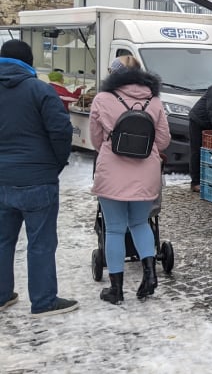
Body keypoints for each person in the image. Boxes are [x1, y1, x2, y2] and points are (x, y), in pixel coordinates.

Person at [0, 40, 78, 317]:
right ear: (29, 62)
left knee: (2, 240)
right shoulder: (40, 90)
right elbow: (61, 131)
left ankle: (2, 295)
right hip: (38, 179)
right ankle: (44, 301)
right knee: (41, 242)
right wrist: (55, 164)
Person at [89, 56, 171, 304]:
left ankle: (116, 289)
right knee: (140, 223)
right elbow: (163, 141)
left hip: (112, 173)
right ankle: (150, 275)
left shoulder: (102, 99)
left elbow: (95, 139)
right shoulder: (153, 100)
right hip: (146, 173)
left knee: (114, 228)